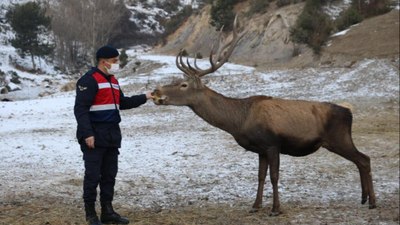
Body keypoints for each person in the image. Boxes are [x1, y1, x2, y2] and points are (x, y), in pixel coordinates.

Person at [74, 45, 153, 225]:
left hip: (111, 136)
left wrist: (146, 96)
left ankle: (107, 212)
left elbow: (123, 103)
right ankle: (91, 215)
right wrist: (88, 134)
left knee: (109, 175)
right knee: (93, 177)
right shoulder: (88, 80)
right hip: (94, 136)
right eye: (115, 61)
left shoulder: (113, 81)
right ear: (104, 62)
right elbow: (80, 110)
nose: (117, 63)